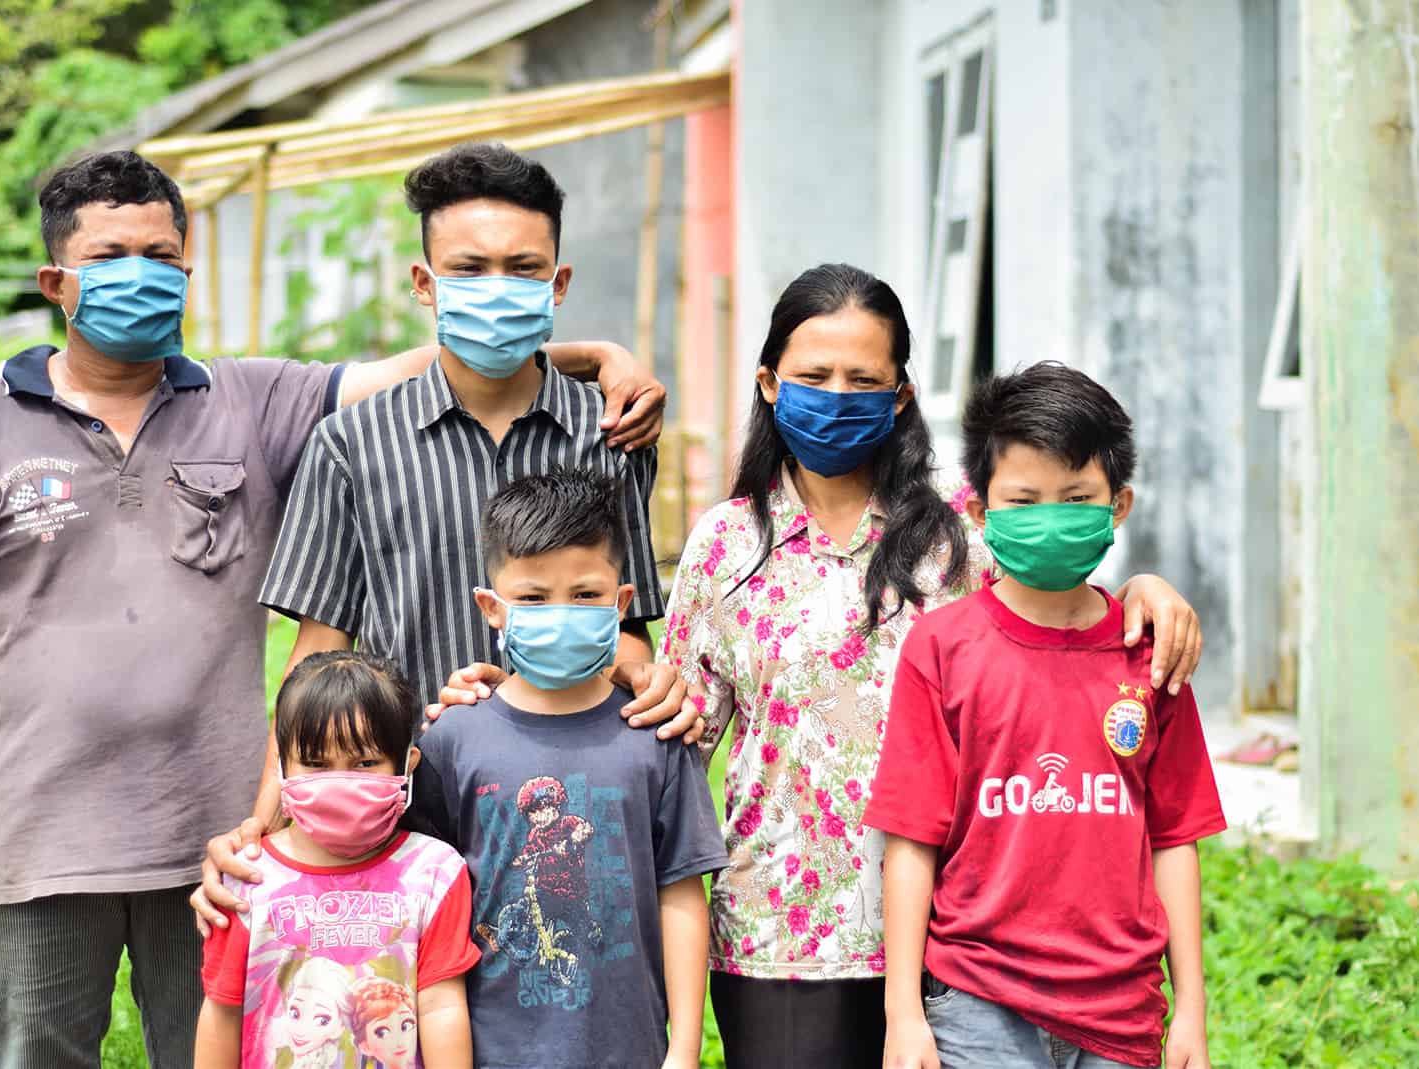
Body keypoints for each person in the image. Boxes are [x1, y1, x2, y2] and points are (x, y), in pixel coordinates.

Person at [0, 148, 668, 1069]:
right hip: (80, 834)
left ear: (187, 268)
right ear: (57, 278)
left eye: (161, 255)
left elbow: (444, 373)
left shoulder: (254, 400)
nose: (139, 274)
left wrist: (600, 355)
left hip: (276, 828)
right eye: (110, 256)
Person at [657, 264, 1207, 1068]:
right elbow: (676, 733)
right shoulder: (725, 545)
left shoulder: (964, 516)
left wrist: (1143, 588)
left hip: (964, 942)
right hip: (785, 930)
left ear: (901, 395)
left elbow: (1056, 601)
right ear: (770, 383)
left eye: (863, 378)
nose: (837, 395)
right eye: (814, 376)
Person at [196, 142, 687, 933]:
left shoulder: (611, 441)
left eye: (523, 268)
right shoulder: (351, 444)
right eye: (470, 268)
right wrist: (270, 823)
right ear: (425, 284)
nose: (498, 289)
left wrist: (651, 674)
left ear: (559, 283)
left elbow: (622, 629)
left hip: (564, 817)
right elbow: (319, 653)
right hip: (403, 823)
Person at [869, 362, 1226, 1069]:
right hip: (978, 1003)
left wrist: (1192, 1010)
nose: (1049, 516)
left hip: (1121, 1011)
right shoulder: (940, 648)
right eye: (1024, 500)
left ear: (1117, 505)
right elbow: (911, 840)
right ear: (979, 512)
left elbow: (1174, 839)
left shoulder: (1151, 656)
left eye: (1076, 496)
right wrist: (903, 1012)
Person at [411, 468, 728, 1069]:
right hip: (486, 1051)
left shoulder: (656, 736)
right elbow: (421, 900)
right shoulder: (452, 739)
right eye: (532, 597)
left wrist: (685, 1046)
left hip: (629, 1050)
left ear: (622, 602)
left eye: (585, 595)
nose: (561, 613)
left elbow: (682, 892)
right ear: (493, 608)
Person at [195, 651, 475, 1069]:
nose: (340, 780)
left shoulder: (435, 873)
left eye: (364, 762)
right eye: (315, 763)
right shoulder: (242, 879)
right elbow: (223, 1011)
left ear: (407, 764)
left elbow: (440, 1005)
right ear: (281, 769)